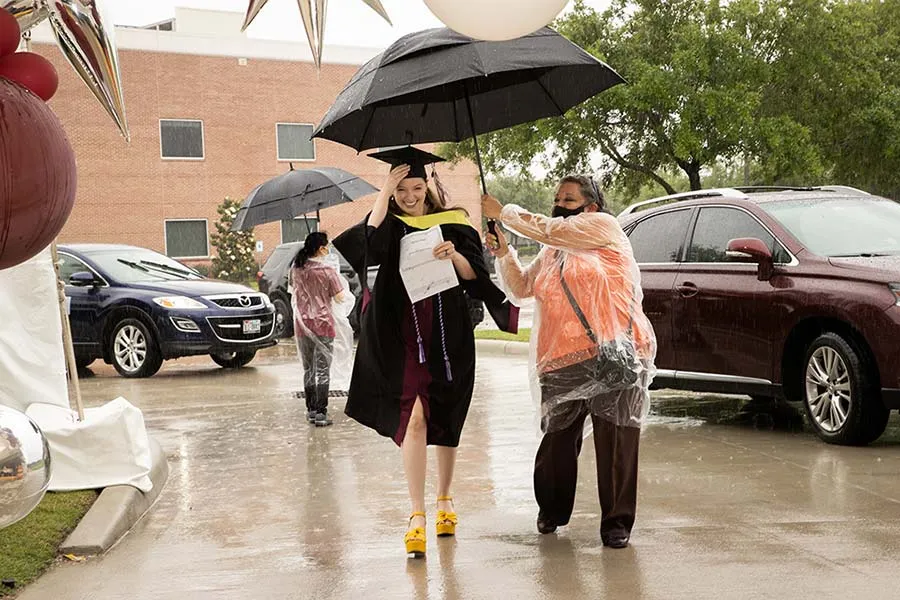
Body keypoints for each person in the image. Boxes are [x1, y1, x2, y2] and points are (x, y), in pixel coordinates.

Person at [333, 146, 518, 558]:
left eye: (416, 187)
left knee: (447, 412)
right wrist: (382, 191)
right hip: (402, 336)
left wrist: (455, 258)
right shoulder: (389, 226)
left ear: (428, 187)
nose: (410, 195)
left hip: (447, 333)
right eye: (402, 188)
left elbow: (476, 277)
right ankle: (416, 514)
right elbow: (365, 246)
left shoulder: (454, 224)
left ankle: (445, 499)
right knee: (412, 417)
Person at [482, 175, 657, 549]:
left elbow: (549, 229)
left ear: (590, 206)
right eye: (558, 196)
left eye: (569, 198)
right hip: (560, 360)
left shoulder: (603, 228)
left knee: (617, 442)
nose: (560, 202)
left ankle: (616, 524)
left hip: (612, 352)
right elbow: (522, 288)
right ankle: (552, 510)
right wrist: (503, 253)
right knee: (557, 445)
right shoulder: (551, 250)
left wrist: (506, 212)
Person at [290, 231, 354, 427]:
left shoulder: (296, 268)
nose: (329, 249)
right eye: (327, 245)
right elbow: (339, 298)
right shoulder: (327, 271)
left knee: (308, 368)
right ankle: (321, 412)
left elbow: (294, 291)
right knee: (323, 370)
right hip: (323, 324)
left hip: (302, 325)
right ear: (320, 248)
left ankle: (310, 410)